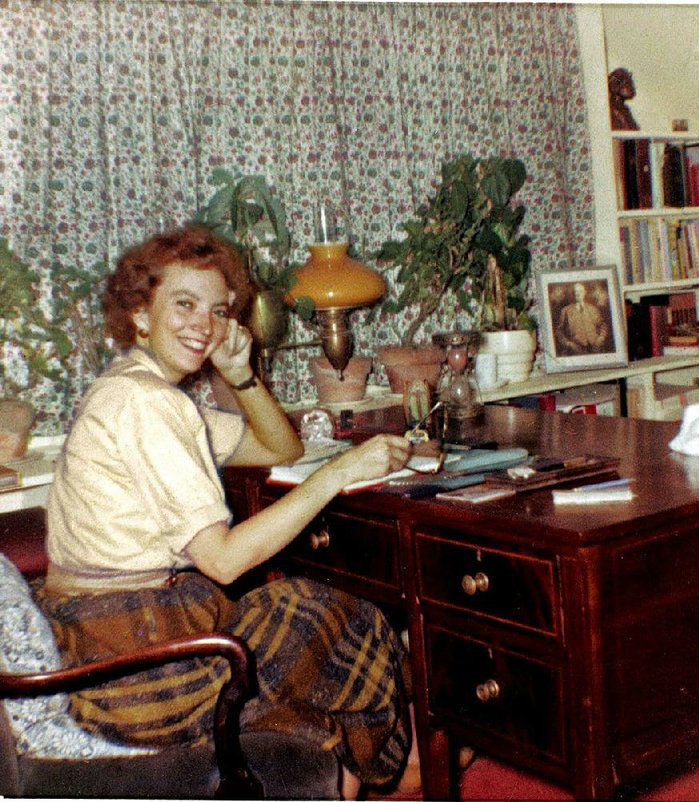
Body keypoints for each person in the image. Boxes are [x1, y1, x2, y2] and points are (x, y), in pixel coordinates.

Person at [37, 225, 416, 800]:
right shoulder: (148, 403)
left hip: (118, 640)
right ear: (140, 312)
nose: (203, 325)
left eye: (217, 311)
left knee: (311, 618)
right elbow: (224, 561)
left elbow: (278, 448)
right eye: (183, 305)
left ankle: (381, 757)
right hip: (132, 666)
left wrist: (240, 376)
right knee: (341, 619)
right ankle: (401, 763)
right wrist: (337, 474)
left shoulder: (140, 388)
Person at [555, 282, 610, 355]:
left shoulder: (593, 309)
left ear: (584, 293)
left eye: (580, 291)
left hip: (596, 348)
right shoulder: (566, 311)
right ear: (572, 294)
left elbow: (603, 326)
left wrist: (600, 339)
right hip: (576, 350)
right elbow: (559, 331)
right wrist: (569, 344)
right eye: (575, 292)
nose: (578, 294)